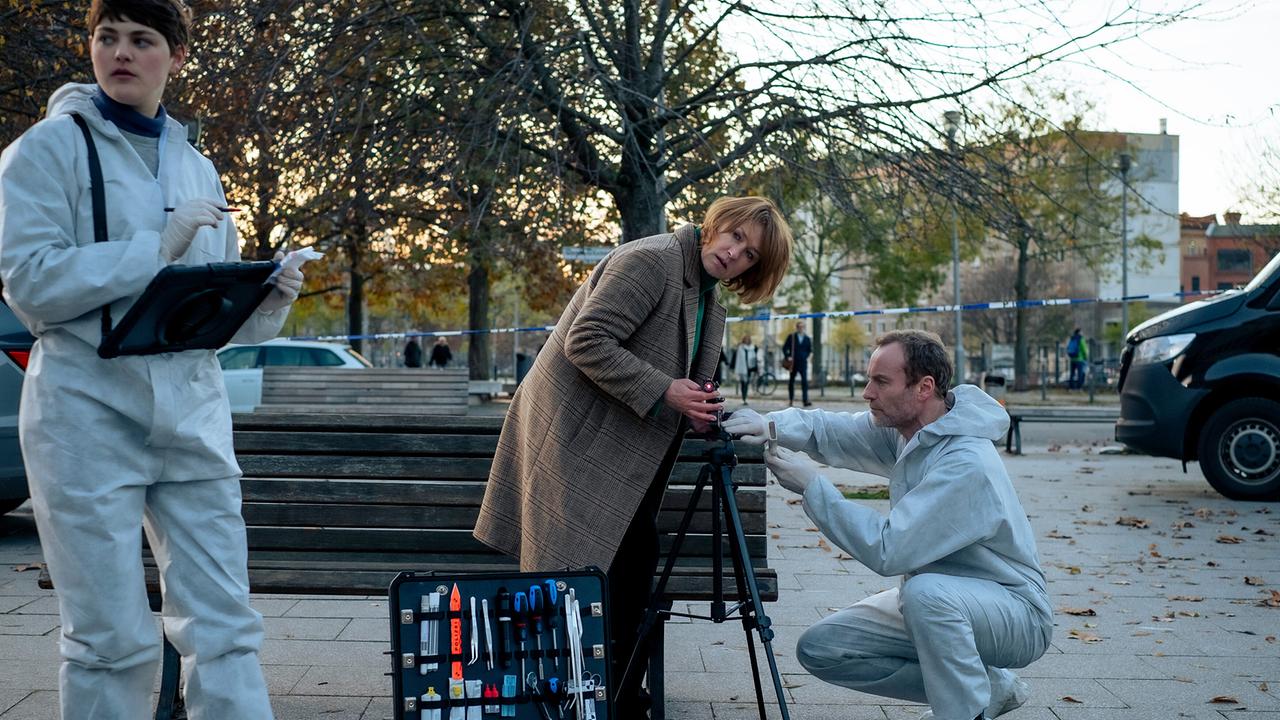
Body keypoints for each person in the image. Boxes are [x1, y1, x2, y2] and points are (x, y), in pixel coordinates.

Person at [0, 2, 303, 717]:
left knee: (226, 627)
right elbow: (31, 283)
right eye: (108, 38)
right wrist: (152, 252)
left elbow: (205, 315)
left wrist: (265, 296)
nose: (121, 53)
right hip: (85, 412)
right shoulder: (45, 151)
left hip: (191, 413)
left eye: (142, 40)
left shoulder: (197, 166)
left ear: (177, 57)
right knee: (110, 640)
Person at [473, 196, 792, 717]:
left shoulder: (712, 297)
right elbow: (587, 340)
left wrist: (699, 407)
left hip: (624, 446)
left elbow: (689, 372)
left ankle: (615, 690)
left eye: (751, 255)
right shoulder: (651, 260)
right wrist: (668, 391)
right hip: (578, 439)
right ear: (714, 225)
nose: (736, 254)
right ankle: (596, 691)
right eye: (734, 237)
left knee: (635, 560)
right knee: (604, 566)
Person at [723, 330, 1051, 720]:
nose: (867, 392)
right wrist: (769, 425)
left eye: (881, 381)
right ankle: (990, 687)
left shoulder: (966, 463)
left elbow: (888, 549)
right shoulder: (911, 433)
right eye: (869, 379)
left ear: (923, 388)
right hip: (942, 602)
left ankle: (963, 712)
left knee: (926, 593)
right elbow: (831, 431)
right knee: (823, 648)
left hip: (1015, 613)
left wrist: (812, 486)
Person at [783, 319, 813, 406]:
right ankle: (791, 399)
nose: (801, 328)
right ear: (797, 328)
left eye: (802, 327)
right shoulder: (791, 337)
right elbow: (785, 347)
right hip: (793, 363)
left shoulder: (807, 339)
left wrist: (805, 356)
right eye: (799, 327)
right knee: (791, 381)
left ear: (804, 328)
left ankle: (805, 400)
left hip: (803, 363)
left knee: (804, 382)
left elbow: (809, 350)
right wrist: (788, 356)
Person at [732, 333, 759, 404]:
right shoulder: (740, 347)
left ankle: (745, 398)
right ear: (744, 340)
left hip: (749, 368)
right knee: (743, 383)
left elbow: (755, 358)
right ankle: (743, 397)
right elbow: (738, 359)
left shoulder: (752, 348)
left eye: (748, 339)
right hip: (742, 368)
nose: (747, 340)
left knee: (746, 383)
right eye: (746, 339)